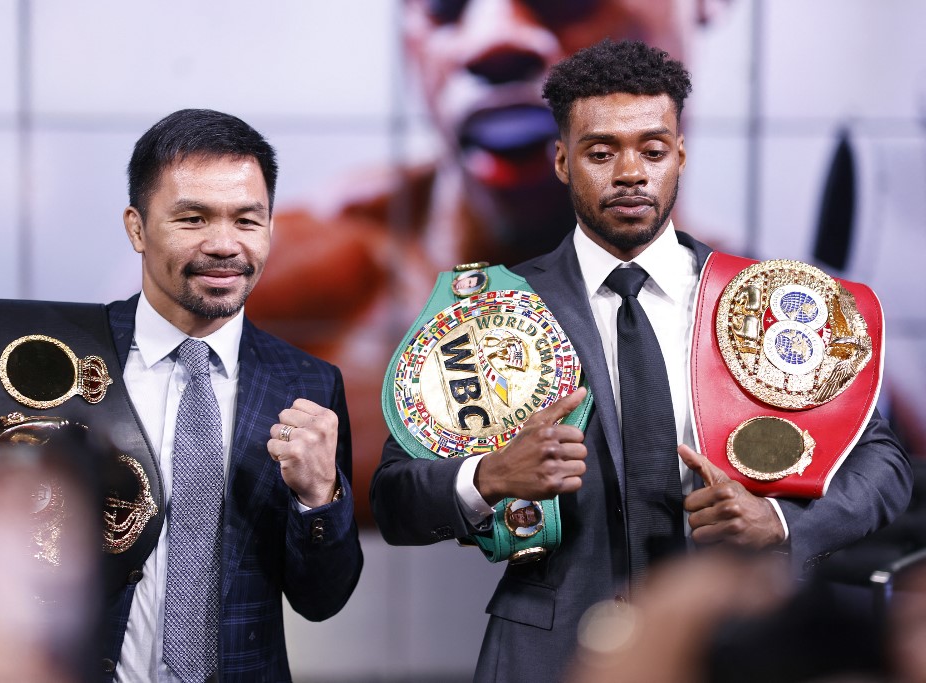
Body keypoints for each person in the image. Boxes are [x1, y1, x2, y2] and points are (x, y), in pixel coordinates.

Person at [370, 40, 911, 682]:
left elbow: (884, 464)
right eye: (601, 152)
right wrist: (487, 475)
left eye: (652, 150)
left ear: (679, 155)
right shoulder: (489, 312)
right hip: (548, 653)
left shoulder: (765, 303)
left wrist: (782, 523)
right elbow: (395, 499)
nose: (630, 172)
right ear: (563, 161)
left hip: (745, 644)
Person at [0, 109, 363, 683]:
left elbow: (323, 599)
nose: (225, 245)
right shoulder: (42, 353)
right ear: (137, 228)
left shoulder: (308, 384)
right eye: (193, 219)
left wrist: (320, 499)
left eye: (248, 221)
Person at [246, 0, 721, 522]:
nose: (492, 41)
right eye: (444, 6)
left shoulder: (772, 318)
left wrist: (782, 527)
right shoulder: (279, 290)